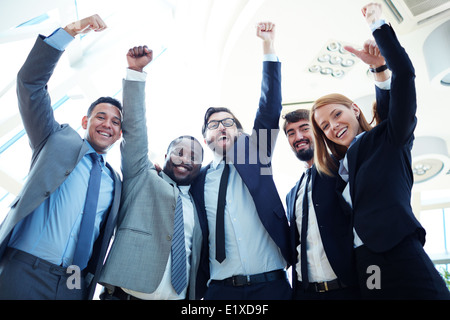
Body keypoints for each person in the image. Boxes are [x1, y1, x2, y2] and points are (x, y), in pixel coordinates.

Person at [311, 3, 450, 299]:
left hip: (401, 254)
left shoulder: (389, 139)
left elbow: (405, 75)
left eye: (336, 115)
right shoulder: (341, 170)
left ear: (354, 109)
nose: (333, 126)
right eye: (324, 126)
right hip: (368, 265)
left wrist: (377, 27)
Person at [0, 15, 122, 300]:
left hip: (73, 285)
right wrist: (68, 33)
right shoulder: (55, 140)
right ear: (84, 121)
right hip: (24, 271)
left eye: (116, 122)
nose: (107, 124)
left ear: (119, 135)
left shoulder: (114, 182)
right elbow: (29, 84)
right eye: (100, 116)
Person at [283, 32, 393, 300]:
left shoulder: (343, 167)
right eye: (290, 133)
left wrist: (379, 70)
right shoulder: (291, 194)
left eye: (304, 128)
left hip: (347, 288)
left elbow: (388, 129)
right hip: (305, 292)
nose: (298, 137)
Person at [190, 22, 292, 300]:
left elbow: (270, 108)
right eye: (213, 124)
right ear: (205, 138)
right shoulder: (196, 181)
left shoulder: (256, 154)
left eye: (228, 122)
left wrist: (268, 46)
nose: (221, 126)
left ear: (239, 131)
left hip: (271, 286)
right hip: (219, 291)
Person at [98, 46, 206, 300]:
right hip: (126, 294)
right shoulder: (143, 177)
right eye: (179, 151)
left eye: (194, 157)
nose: (185, 159)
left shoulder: (197, 204)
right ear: (165, 155)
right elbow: (135, 130)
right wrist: (136, 73)